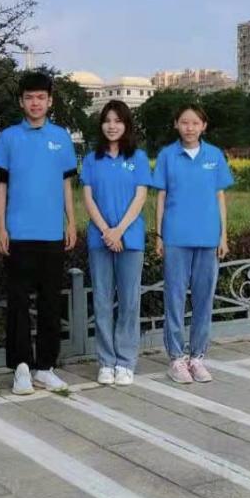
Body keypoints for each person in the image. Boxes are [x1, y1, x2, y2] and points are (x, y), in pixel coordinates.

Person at [0, 71, 77, 395]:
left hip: (52, 233)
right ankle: (22, 368)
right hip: (18, 233)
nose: (35, 103)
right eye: (29, 97)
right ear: (21, 101)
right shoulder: (8, 138)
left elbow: (66, 184)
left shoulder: (61, 137)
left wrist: (71, 222)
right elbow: (1, 186)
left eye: (41, 97)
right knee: (18, 304)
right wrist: (1, 225)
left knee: (50, 303)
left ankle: (45, 367)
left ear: (50, 101)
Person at [152, 103, 234, 384]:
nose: (189, 128)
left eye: (195, 123)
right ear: (176, 124)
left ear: (203, 127)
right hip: (176, 237)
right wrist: (159, 235)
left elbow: (219, 197)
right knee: (174, 299)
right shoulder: (167, 155)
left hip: (208, 237)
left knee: (203, 299)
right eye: (184, 122)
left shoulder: (214, 155)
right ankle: (176, 358)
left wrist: (223, 235)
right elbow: (161, 197)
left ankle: (197, 357)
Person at [80, 100, 151, 387]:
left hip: (130, 239)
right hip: (100, 239)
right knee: (102, 300)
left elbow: (140, 197)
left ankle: (125, 361)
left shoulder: (138, 158)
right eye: (107, 120)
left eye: (118, 121)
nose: (112, 126)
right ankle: (106, 362)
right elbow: (88, 199)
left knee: (130, 301)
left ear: (126, 125)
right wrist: (107, 232)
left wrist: (119, 230)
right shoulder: (91, 159)